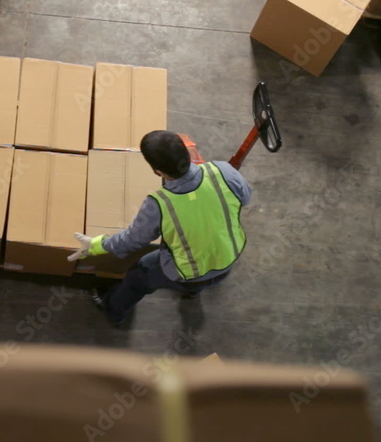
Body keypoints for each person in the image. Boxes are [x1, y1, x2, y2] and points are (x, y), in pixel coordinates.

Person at [69, 130, 251, 326]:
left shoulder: (159, 204)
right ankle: (192, 291)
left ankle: (113, 310)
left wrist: (95, 245)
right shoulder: (224, 171)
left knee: (138, 275)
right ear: (185, 152)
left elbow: (131, 242)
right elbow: (245, 197)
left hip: (188, 272)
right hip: (230, 257)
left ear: (158, 172)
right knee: (196, 273)